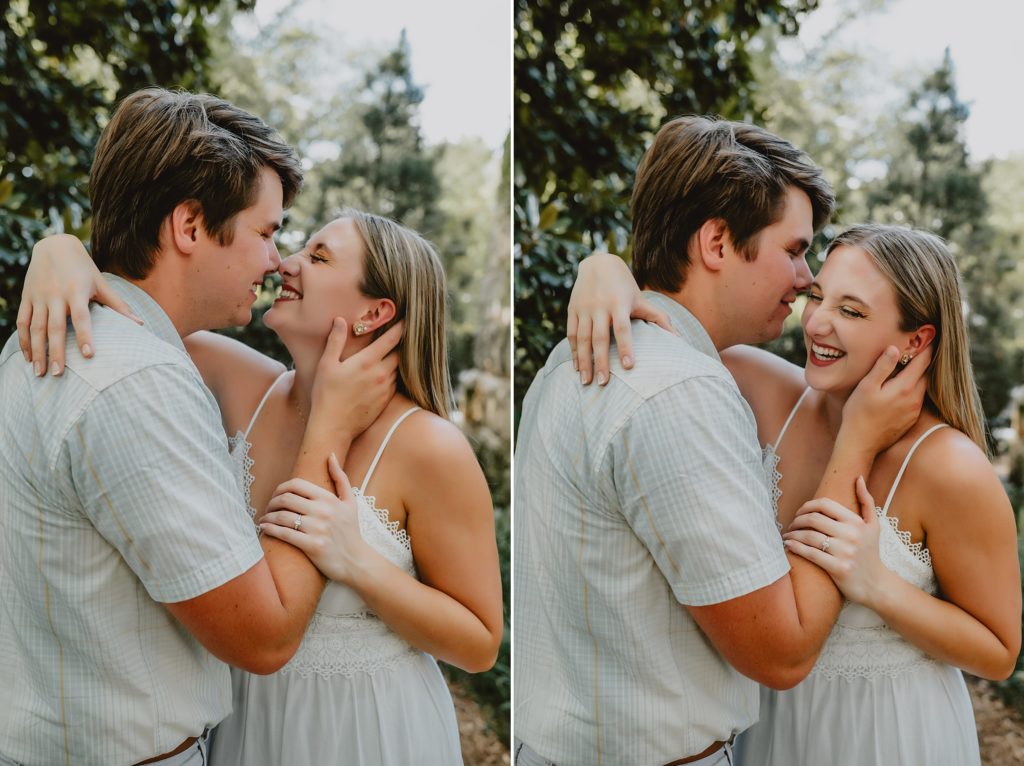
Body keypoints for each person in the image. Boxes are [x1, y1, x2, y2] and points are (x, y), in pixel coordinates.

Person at [0, 88, 401, 765]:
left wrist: (57, 246)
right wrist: (327, 434)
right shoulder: (140, 384)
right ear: (189, 225)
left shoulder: (42, 339)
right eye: (267, 232)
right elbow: (266, 638)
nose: (278, 262)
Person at [513, 115, 929, 766]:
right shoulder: (682, 394)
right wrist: (856, 443)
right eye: (793, 250)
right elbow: (782, 652)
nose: (803, 280)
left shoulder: (566, 360)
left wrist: (603, 265)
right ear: (716, 242)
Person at [21, 210, 504, 765]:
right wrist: (57, 251)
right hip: (240, 722)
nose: (285, 262)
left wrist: (358, 564)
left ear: (375, 312)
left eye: (318, 257)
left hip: (366, 732)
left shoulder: (429, 446)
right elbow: (138, 309)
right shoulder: (240, 383)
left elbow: (480, 643)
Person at [568, 223, 1021, 764]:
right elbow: (668, 321)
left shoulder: (950, 467)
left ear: (917, 341)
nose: (818, 323)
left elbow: (998, 653)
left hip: (888, 737)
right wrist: (602, 270)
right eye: (816, 296)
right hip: (764, 728)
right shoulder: (757, 386)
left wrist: (878, 585)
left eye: (851, 312)